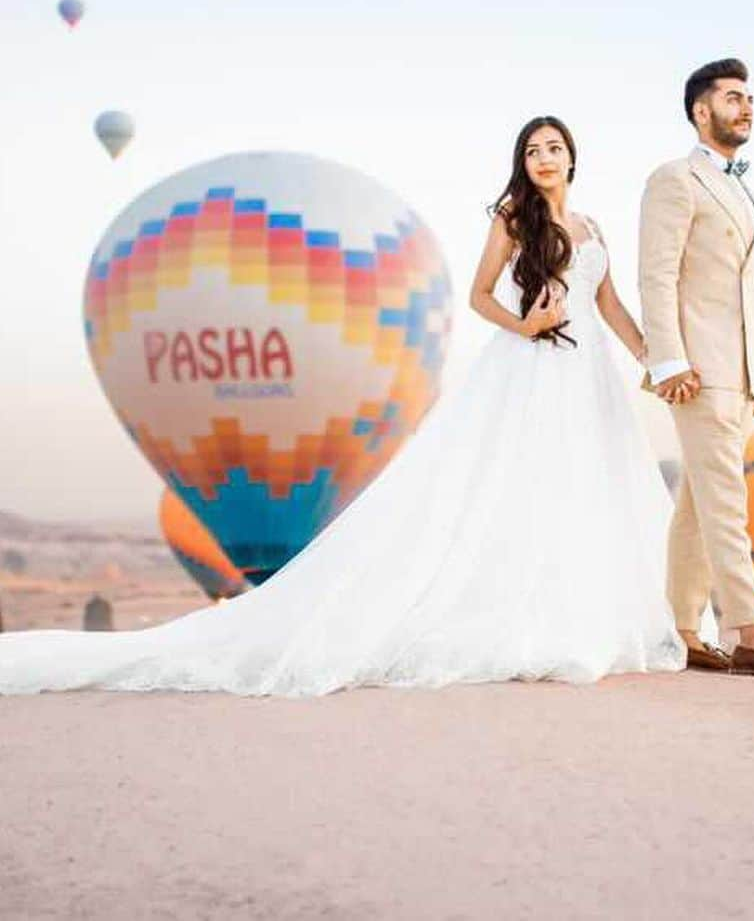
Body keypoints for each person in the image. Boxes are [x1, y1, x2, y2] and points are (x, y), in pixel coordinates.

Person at [0, 117, 685, 696]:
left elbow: (610, 304)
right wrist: (525, 327)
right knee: (517, 487)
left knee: (583, 487)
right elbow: (480, 295)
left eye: (554, 148)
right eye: (533, 149)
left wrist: (654, 356)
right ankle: (530, 619)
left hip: (588, 370)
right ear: (522, 162)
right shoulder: (512, 218)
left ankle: (583, 612)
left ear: (572, 157)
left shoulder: (593, 226)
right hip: (534, 366)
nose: (544, 158)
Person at [640, 59, 754, 679]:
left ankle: (683, 630)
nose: (746, 108)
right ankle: (751, 630)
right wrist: (667, 359)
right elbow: (657, 274)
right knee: (727, 502)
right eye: (732, 98)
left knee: (697, 505)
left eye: (750, 99)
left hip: (738, 376)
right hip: (696, 371)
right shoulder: (674, 179)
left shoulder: (745, 190)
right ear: (701, 110)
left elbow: (743, 290)